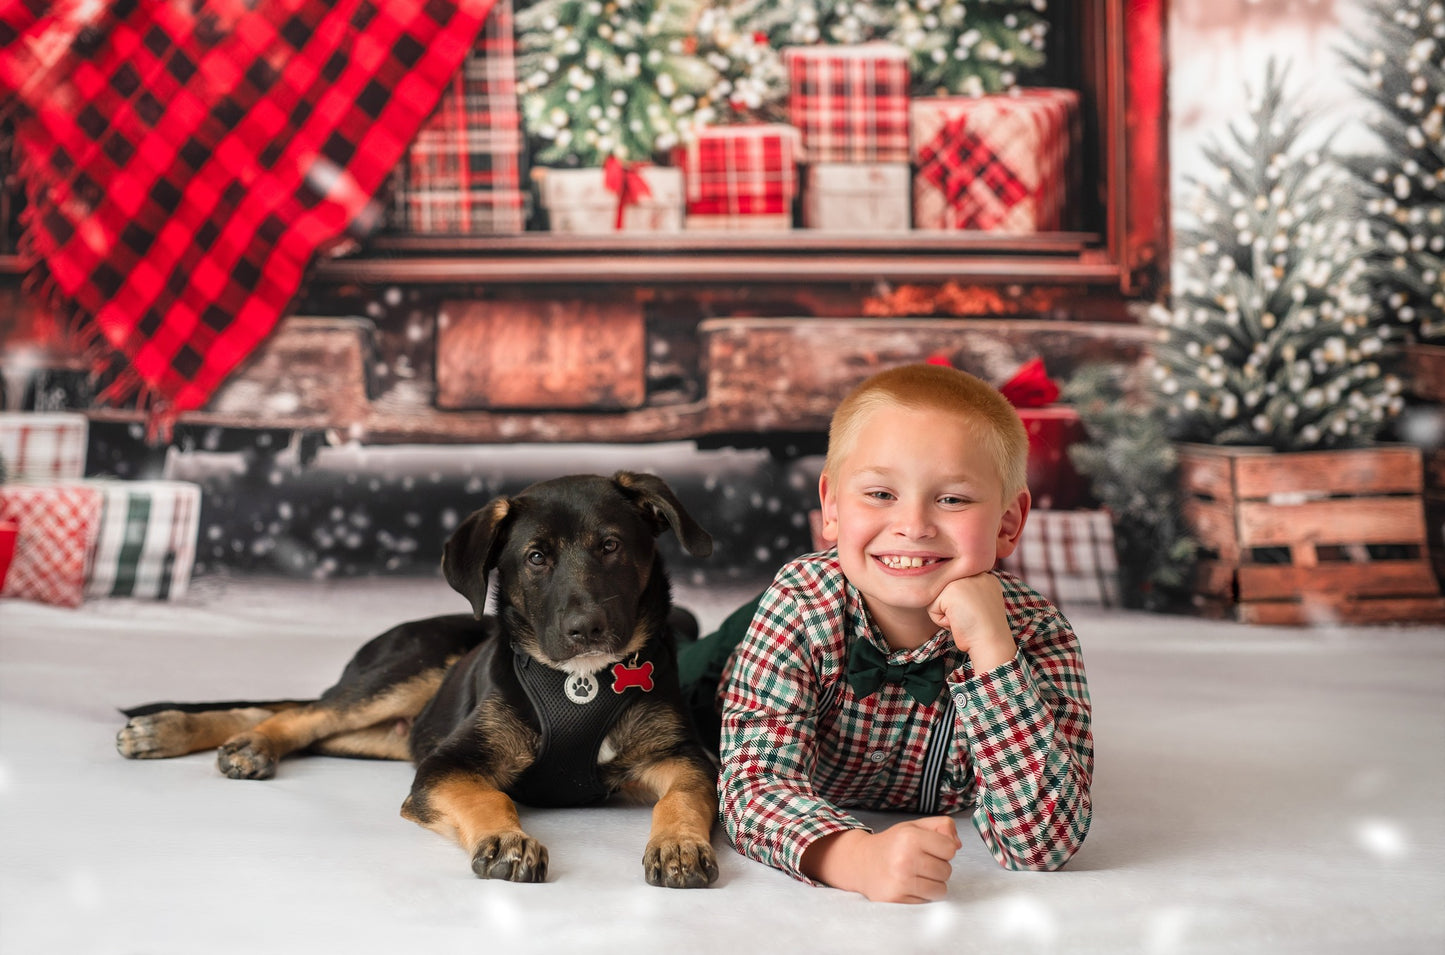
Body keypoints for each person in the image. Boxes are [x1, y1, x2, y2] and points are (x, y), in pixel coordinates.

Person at [705, 362, 1093, 903]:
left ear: (1008, 523)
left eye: (952, 499)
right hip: (738, 652)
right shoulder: (800, 602)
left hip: (991, 642)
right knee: (671, 683)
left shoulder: (1038, 634)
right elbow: (752, 788)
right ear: (832, 508)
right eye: (881, 494)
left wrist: (993, 652)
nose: (914, 525)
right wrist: (855, 857)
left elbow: (1043, 844)